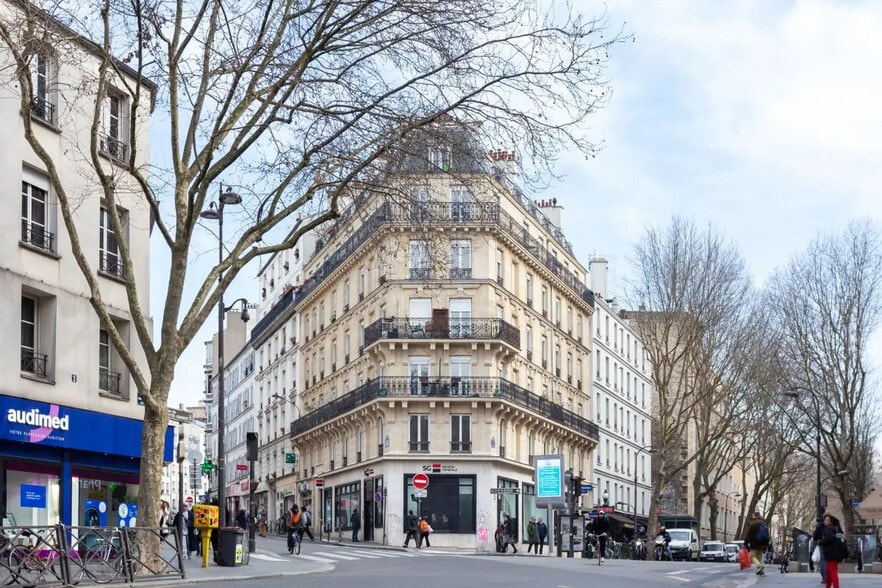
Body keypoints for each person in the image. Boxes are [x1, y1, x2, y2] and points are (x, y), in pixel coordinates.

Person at [818, 513, 847, 588]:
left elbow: (829, 538)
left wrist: (820, 541)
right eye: (825, 519)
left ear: (831, 522)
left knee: (833, 572)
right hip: (837, 553)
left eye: (827, 520)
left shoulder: (828, 529)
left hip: (831, 553)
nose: (825, 521)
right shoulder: (837, 529)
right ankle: (827, 586)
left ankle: (836, 586)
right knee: (829, 572)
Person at [743, 511, 770, 576]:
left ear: (754, 516)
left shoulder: (753, 524)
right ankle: (761, 571)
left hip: (754, 543)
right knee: (760, 557)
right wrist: (766, 545)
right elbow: (767, 535)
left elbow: (748, 535)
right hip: (762, 543)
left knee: (751, 556)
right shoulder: (764, 523)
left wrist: (746, 543)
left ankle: (759, 565)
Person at [813, 519, 827, 584]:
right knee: (826, 562)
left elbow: (815, 536)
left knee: (823, 562)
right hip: (828, 547)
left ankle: (825, 577)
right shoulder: (833, 526)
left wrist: (817, 542)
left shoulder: (820, 526)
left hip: (822, 545)